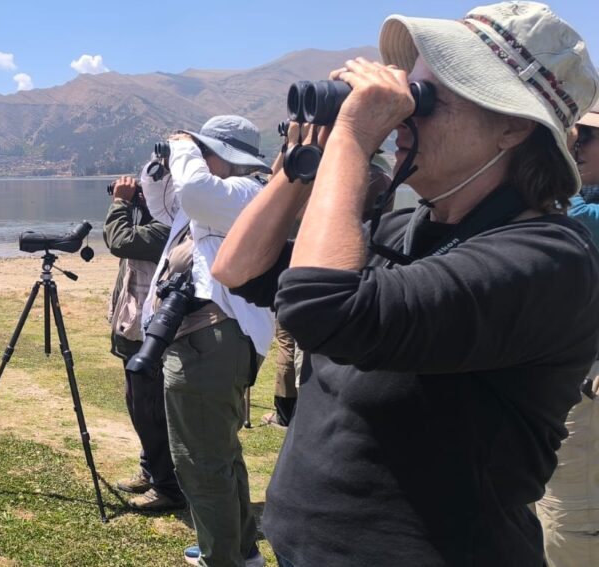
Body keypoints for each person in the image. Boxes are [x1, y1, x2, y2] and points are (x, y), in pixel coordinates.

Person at [210, 2, 599, 566]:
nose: (401, 116)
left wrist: (353, 135)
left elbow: (320, 306)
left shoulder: (547, 259)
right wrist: (304, 163)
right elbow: (238, 270)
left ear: (512, 127)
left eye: (426, 98)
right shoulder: (402, 226)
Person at [139, 115, 274, 567]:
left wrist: (183, 148)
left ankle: (222, 558)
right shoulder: (220, 200)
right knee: (220, 454)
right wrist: (161, 165)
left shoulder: (247, 191)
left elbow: (194, 194)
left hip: (211, 341)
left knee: (200, 461)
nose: (193, 156)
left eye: (202, 149)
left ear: (225, 156)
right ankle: (237, 548)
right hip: (211, 340)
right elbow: (165, 209)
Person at [262, 153, 394, 429]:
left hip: (321, 270)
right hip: (352, 270)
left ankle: (297, 415)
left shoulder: (348, 179)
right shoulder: (380, 177)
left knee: (297, 348)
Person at [538, 103, 599, 567]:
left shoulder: (587, 215)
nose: (575, 145)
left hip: (587, 383)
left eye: (586, 138)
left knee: (569, 512)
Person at [103, 175, 183, 511]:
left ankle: (168, 486)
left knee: (150, 410)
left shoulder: (168, 229)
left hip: (147, 332)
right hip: (133, 329)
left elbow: (119, 240)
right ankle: (152, 470)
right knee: (140, 406)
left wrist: (121, 202)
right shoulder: (155, 224)